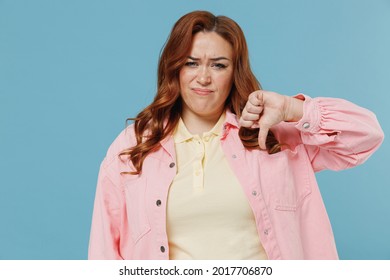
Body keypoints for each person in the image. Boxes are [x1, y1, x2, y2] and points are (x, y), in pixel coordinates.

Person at [88, 10, 384, 260]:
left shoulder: (272, 137)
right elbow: (103, 255)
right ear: (174, 68)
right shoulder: (133, 147)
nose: (203, 77)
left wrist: (292, 108)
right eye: (192, 62)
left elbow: (367, 134)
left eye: (218, 65)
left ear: (234, 72)